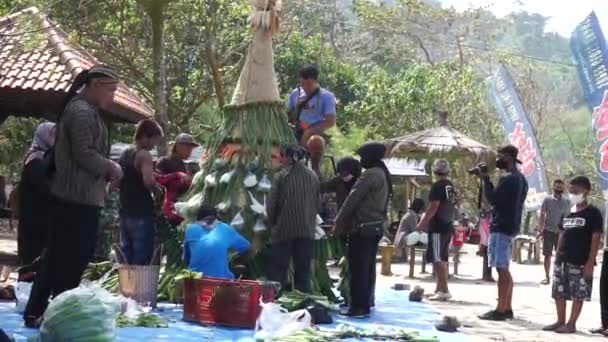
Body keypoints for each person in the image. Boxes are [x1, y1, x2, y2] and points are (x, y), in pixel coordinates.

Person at [24, 65, 124, 327]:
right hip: (76, 198)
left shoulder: (85, 110)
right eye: (111, 89)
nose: (113, 95)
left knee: (57, 256)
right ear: (94, 85)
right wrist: (111, 167)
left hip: (77, 196)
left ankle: (37, 312)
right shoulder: (80, 112)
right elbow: (84, 153)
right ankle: (59, 314)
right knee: (70, 260)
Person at [335, 142, 391, 318]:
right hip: (374, 227)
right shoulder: (383, 173)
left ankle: (358, 307)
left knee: (358, 268)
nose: (361, 161)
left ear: (370, 157)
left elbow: (353, 199)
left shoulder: (371, 175)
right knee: (367, 268)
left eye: (363, 157)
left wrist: (338, 221)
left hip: (363, 228)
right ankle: (365, 303)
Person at [543, 176, 602, 334]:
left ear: (586, 191)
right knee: (558, 292)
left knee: (578, 294)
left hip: (580, 261)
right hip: (562, 259)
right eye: (571, 191)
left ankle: (571, 323)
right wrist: (557, 256)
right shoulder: (568, 211)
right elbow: (562, 233)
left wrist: (590, 261)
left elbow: (596, 238)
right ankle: (560, 321)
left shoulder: (593, 213)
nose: (572, 194)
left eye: (576, 191)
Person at [478, 145, 528, 321]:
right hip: (512, 226)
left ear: (508, 158)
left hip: (501, 226)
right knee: (504, 268)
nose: (498, 160)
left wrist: (485, 179)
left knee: (501, 268)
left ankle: (500, 310)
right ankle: (507, 307)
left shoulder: (507, 179)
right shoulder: (522, 179)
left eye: (500, 157)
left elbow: (492, 198)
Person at [267, 144, 319, 293]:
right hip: (307, 230)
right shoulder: (313, 176)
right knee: (303, 270)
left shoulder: (281, 176)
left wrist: (272, 224)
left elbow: (271, 205)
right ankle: (302, 300)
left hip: (284, 230)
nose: (281, 160)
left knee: (279, 269)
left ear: (288, 157)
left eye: (282, 156)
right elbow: (317, 204)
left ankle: (276, 300)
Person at [118, 119, 164, 265]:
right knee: (141, 259)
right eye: (154, 141)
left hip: (125, 212)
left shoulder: (125, 154)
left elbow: (118, 179)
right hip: (141, 213)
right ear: (145, 136)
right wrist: (158, 193)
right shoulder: (144, 155)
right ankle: (140, 288)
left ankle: (127, 286)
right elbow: (149, 181)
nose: (154, 146)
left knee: (126, 257)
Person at [416, 160, 457, 302]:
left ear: (434, 172)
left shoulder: (437, 186)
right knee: (442, 258)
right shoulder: (450, 186)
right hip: (447, 226)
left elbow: (434, 207)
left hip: (438, 227)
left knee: (438, 259)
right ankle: (439, 289)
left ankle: (444, 290)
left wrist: (422, 223)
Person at [16, 122, 55, 272]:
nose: (55, 139)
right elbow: (44, 189)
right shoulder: (36, 160)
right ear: (43, 136)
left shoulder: (42, 157)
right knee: (32, 263)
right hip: (34, 221)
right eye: (52, 135)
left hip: (37, 219)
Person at [183, 206, 250, 279]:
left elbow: (186, 259)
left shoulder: (190, 229)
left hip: (196, 279)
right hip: (220, 281)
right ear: (216, 219)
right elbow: (246, 247)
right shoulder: (224, 228)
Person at [286, 65, 337, 145]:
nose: (305, 87)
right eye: (302, 84)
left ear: (316, 81)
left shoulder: (327, 96)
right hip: (296, 129)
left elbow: (331, 121)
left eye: (309, 84)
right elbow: (287, 114)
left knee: (313, 140)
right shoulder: (295, 94)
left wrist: (310, 131)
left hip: (315, 132)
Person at [538, 179, 570, 285]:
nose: (558, 189)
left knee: (560, 256)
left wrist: (567, 232)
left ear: (563, 189)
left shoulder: (566, 202)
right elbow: (542, 214)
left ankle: (559, 277)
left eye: (560, 187)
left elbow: (568, 218)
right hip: (548, 231)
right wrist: (540, 229)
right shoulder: (547, 199)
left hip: (561, 233)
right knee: (547, 255)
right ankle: (547, 277)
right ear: (553, 187)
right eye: (557, 187)